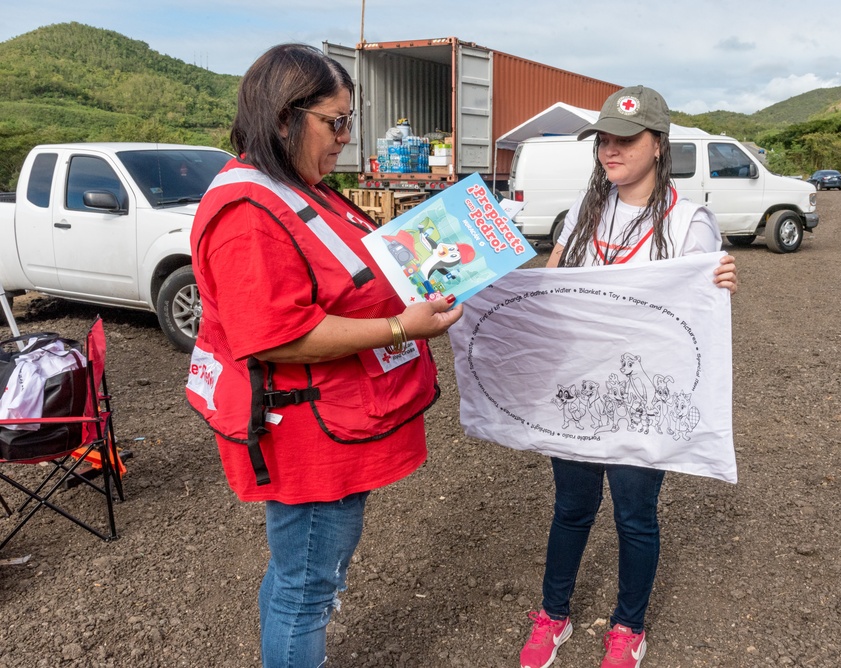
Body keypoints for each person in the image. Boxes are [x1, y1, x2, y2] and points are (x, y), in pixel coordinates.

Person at [184, 43, 463, 668]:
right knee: (306, 589)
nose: (344, 138)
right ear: (285, 118)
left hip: (333, 425)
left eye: (347, 122)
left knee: (299, 578)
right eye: (335, 123)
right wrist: (399, 326)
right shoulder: (247, 213)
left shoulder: (296, 186)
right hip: (309, 440)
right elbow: (273, 334)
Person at [519, 85, 738, 668]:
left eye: (625, 139)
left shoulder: (689, 221)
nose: (610, 151)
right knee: (571, 507)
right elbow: (548, 291)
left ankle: (628, 626)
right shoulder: (581, 214)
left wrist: (719, 289)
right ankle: (553, 615)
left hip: (639, 396)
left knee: (634, 514)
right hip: (583, 389)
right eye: (603, 141)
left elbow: (697, 314)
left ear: (658, 145)